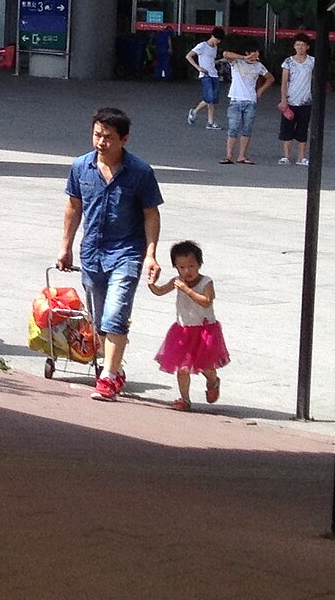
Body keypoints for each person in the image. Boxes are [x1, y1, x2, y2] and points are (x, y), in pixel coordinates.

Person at [56, 106, 163, 402]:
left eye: (109, 137)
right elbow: (73, 207)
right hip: (91, 252)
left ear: (124, 140)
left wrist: (151, 253)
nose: (101, 142)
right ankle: (114, 370)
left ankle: (106, 377)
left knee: (116, 314)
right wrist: (65, 246)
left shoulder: (140, 172)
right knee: (100, 319)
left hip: (127, 251)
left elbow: (151, 215)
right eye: (97, 135)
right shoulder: (81, 167)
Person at [147, 238, 228, 411]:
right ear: (176, 267)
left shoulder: (206, 282)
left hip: (204, 331)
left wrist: (187, 290)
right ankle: (185, 399)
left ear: (199, 264)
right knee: (183, 368)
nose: (187, 271)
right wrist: (151, 284)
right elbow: (161, 291)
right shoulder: (177, 280)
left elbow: (206, 301)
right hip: (183, 331)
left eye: (191, 266)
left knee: (206, 365)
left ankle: (213, 381)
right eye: (181, 267)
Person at [222, 46, 270, 166]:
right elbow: (225, 53)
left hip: (250, 101)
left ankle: (242, 156)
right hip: (236, 99)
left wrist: (260, 90)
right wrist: (244, 57)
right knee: (233, 129)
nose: (256, 54)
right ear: (247, 52)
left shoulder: (259, 66)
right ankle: (228, 155)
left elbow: (270, 78)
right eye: (254, 52)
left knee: (247, 129)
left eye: (257, 52)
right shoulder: (237, 62)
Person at [277, 37, 316, 166]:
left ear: (307, 47)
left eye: (302, 45)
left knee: (303, 129)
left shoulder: (312, 61)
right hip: (290, 100)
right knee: (287, 129)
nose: (300, 47)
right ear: (294, 46)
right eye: (297, 45)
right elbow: (284, 82)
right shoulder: (288, 62)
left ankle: (301, 157)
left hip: (306, 101)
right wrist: (283, 100)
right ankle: (286, 156)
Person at [185, 27, 225, 130]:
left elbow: (211, 61)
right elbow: (189, 56)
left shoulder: (214, 48)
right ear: (213, 36)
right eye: (217, 39)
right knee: (209, 97)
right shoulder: (202, 46)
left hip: (214, 74)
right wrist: (198, 67)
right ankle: (195, 111)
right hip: (205, 75)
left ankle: (210, 121)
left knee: (212, 100)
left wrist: (220, 60)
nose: (218, 42)